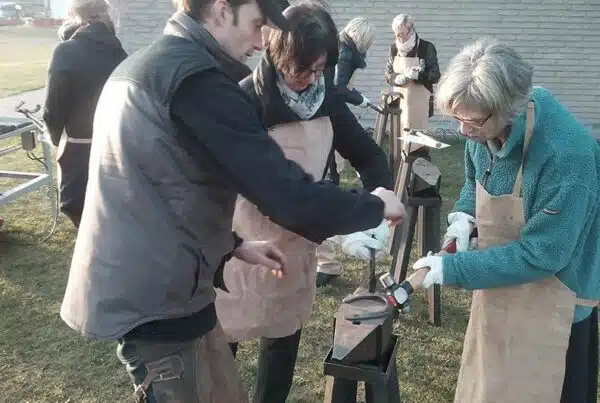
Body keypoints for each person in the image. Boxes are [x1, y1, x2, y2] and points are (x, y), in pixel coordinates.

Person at [59, 0, 406, 401]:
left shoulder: (152, 64)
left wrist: (233, 244)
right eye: (257, 24)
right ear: (222, 10)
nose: (260, 41)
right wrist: (373, 208)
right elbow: (285, 195)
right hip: (160, 298)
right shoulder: (197, 82)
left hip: (171, 282)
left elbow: (172, 190)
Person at [214, 4, 393, 402]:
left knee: (282, 340)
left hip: (297, 246)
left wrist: (376, 205)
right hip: (244, 244)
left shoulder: (325, 98)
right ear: (277, 54)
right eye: (303, 70)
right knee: (222, 348)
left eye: (320, 69)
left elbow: (370, 158)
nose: (312, 80)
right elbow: (277, 197)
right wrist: (346, 224)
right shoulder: (244, 101)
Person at [412, 38, 600, 403]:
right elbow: (475, 180)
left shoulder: (566, 158)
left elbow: (543, 256)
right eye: (457, 118)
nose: (463, 131)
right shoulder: (479, 122)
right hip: (503, 283)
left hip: (560, 302)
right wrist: (464, 218)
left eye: (471, 121)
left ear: (508, 109)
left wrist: (454, 269)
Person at [42, 0, 127, 228]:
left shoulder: (65, 51)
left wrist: (55, 139)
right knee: (109, 211)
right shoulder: (120, 53)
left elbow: (53, 109)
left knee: (80, 211)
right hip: (114, 146)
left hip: (77, 148)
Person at [384, 13, 440, 156]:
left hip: (419, 103)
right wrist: (398, 78)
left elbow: (435, 75)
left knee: (417, 143)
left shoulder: (426, 48)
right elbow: (388, 74)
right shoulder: (393, 48)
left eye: (403, 34)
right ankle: (398, 168)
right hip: (399, 103)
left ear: (411, 31)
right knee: (399, 139)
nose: (400, 38)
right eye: (397, 35)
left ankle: (418, 168)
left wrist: (418, 76)